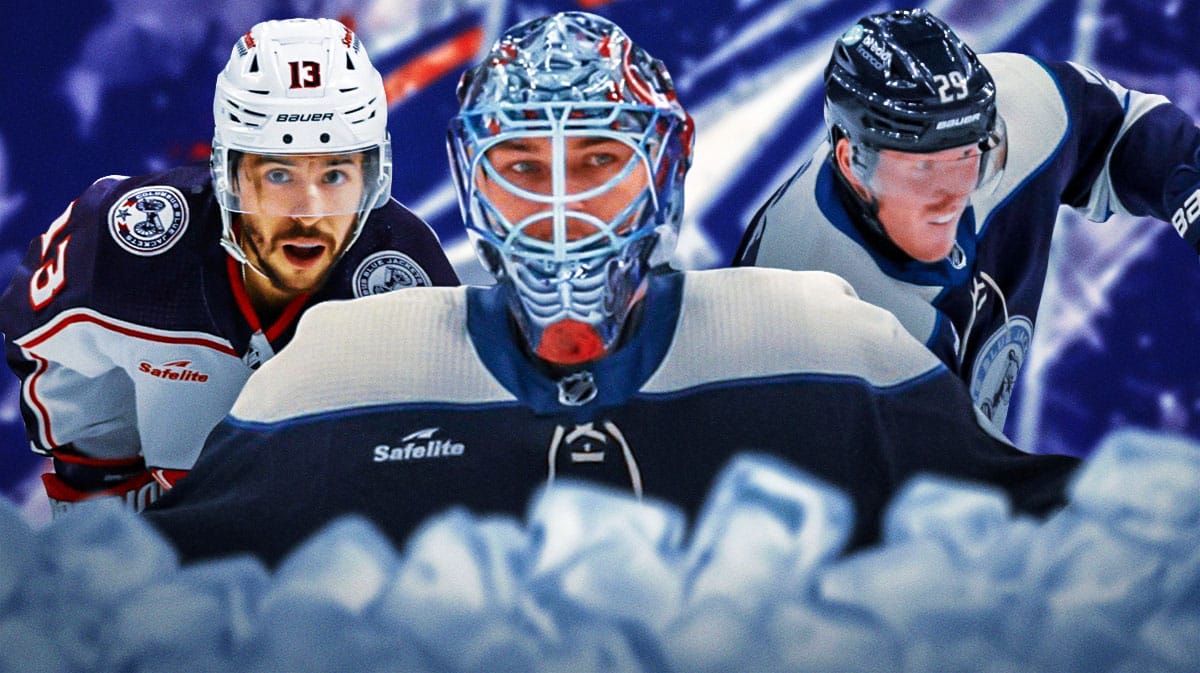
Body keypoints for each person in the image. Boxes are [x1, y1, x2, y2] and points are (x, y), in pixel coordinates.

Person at [144, 11, 1079, 567]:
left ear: (664, 171)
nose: (559, 209)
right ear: (471, 180)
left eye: (597, 161)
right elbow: (141, 596)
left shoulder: (820, 343)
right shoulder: (340, 370)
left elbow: (1052, 537)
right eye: (522, 165)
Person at [0, 18, 459, 515]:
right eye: (279, 173)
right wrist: (100, 474)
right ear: (227, 173)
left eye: (334, 173)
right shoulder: (127, 238)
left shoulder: (405, 276)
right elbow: (46, 345)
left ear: (373, 177)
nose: (308, 212)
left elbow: (437, 461)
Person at [734, 8, 1200, 434]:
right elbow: (942, 490)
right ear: (851, 163)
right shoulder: (803, 298)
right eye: (922, 168)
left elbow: (1121, 131)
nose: (951, 200)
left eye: (966, 157)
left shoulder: (1015, 114)